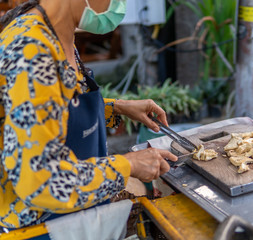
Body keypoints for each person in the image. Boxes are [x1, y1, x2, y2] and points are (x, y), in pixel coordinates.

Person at [0, 0, 178, 231]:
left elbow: (50, 115)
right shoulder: (32, 51)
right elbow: (41, 181)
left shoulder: (57, 31)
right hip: (38, 227)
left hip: (74, 214)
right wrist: (127, 165)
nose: (119, 6)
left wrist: (117, 108)